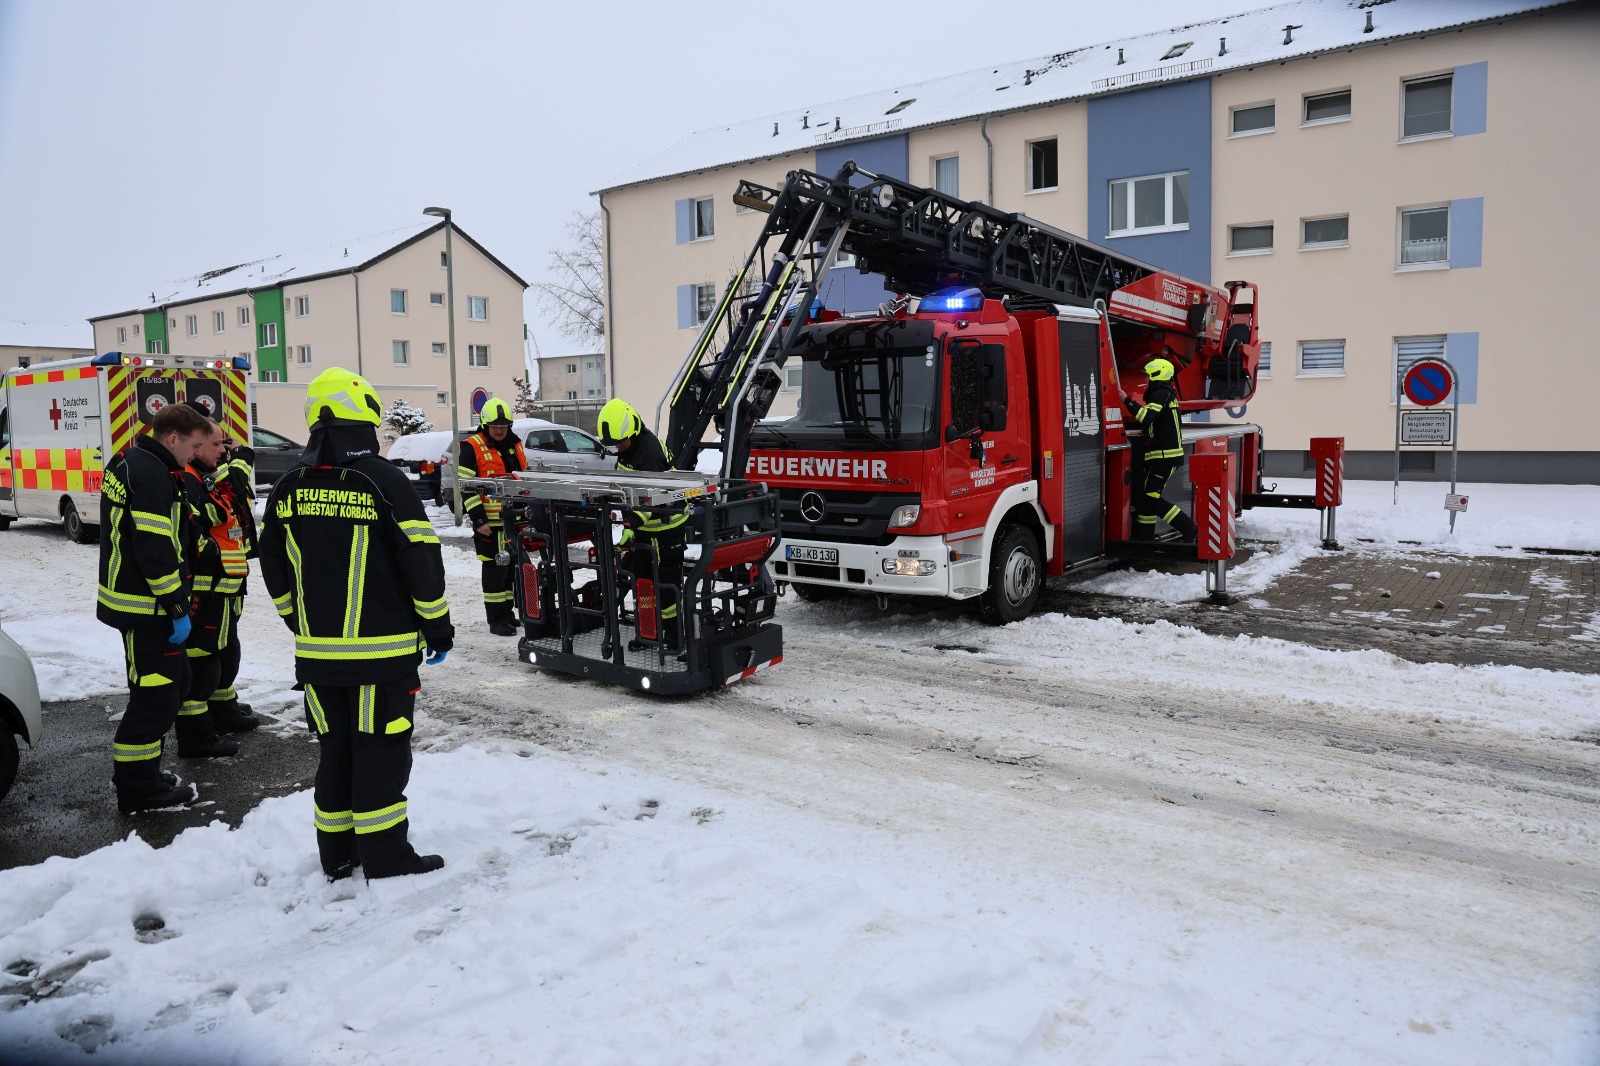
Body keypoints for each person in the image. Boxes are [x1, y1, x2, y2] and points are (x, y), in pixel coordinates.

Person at [259, 367, 454, 881]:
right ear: (363, 415)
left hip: (317, 660)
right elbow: (422, 561)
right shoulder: (382, 480)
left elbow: (273, 566)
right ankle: (387, 858)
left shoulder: (288, 486)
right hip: (381, 660)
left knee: (336, 754)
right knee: (380, 754)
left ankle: (338, 855)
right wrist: (438, 630)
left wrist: (296, 621)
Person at [96, 402, 214, 814]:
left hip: (143, 603)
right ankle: (138, 788)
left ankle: (145, 773)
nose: (196, 454)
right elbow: (155, 549)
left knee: (175, 684)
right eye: (194, 446)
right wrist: (177, 607)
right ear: (173, 438)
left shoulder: (134, 459)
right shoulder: (149, 474)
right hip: (147, 607)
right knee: (156, 698)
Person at [170, 418, 246, 758]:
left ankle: (220, 715)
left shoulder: (204, 476)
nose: (222, 451)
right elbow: (205, 518)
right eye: (217, 445)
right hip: (205, 586)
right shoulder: (189, 478)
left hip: (223, 584)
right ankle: (197, 738)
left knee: (222, 652)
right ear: (197, 446)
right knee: (202, 663)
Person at [596, 398, 688, 649]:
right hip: (647, 530)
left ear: (633, 431)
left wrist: (630, 525)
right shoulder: (631, 448)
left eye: (620, 442)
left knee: (667, 587)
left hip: (666, 529)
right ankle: (649, 633)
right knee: (641, 580)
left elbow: (652, 499)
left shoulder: (649, 453)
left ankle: (673, 637)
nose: (618, 447)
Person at [456, 397, 526, 636]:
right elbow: (466, 488)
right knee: (495, 572)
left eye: (503, 425)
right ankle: (496, 620)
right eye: (495, 426)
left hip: (514, 522)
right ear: (485, 424)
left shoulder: (514, 445)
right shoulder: (471, 447)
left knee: (510, 572)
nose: (499, 430)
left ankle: (507, 614)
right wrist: (479, 521)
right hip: (490, 525)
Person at [206, 431, 261, 732]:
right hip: (216, 578)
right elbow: (231, 483)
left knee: (227, 645)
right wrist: (241, 455)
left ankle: (224, 703)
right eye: (216, 443)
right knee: (219, 647)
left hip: (230, 572)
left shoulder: (211, 467)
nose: (221, 448)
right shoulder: (203, 473)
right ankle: (219, 711)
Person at [1122, 357, 1199, 542]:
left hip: (1164, 458)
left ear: (1157, 375)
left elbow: (1146, 416)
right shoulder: (1166, 394)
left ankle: (1188, 527)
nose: (1146, 380)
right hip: (1163, 456)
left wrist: (1126, 401)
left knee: (1150, 498)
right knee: (1145, 498)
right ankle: (1145, 539)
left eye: (1149, 376)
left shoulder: (1160, 394)